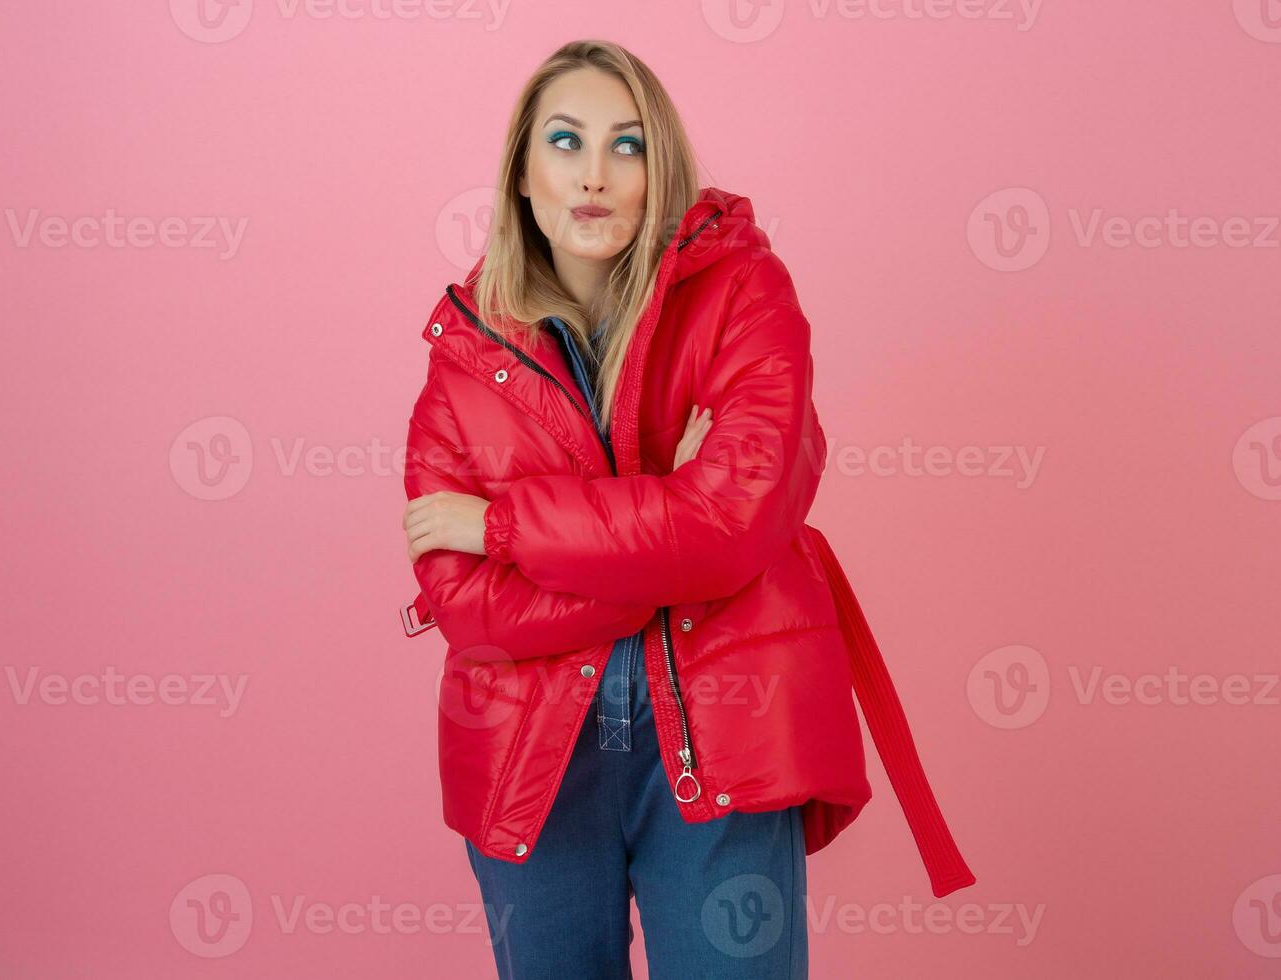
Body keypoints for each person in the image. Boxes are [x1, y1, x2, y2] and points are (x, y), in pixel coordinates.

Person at [401, 39, 974, 980]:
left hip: (730, 731)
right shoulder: (463, 350)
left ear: (658, 169)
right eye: (566, 142)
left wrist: (505, 528)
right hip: (529, 753)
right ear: (523, 175)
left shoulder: (747, 294)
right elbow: (470, 610)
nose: (593, 176)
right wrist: (669, 533)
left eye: (627, 146)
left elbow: (731, 526)